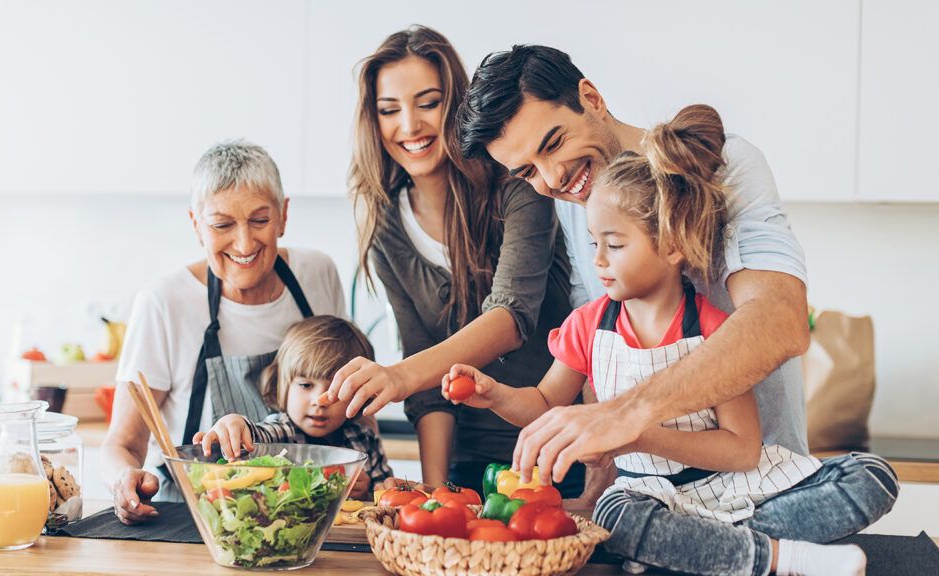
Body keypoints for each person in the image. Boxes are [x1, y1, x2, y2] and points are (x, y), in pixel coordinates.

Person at [445, 105, 897, 576]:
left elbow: (742, 451)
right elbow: (544, 404)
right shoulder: (587, 326)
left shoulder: (717, 331)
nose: (598, 260)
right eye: (594, 243)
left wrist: (636, 430)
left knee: (872, 477)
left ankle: (702, 551)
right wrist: (494, 395)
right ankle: (780, 557)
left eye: (615, 245)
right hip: (650, 497)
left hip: (733, 487)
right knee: (617, 516)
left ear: (671, 245)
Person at [456, 45, 816, 492]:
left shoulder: (726, 165)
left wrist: (627, 415)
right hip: (651, 493)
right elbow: (597, 356)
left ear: (591, 98)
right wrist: (598, 485)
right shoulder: (576, 201)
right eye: (527, 171)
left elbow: (781, 321)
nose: (553, 180)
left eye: (553, 143)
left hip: (765, 482)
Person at [328, 25, 583, 496]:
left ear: (457, 105)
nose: (409, 126)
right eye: (389, 110)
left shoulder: (518, 186)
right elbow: (426, 387)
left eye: (428, 103)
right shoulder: (386, 226)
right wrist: (435, 492)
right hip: (468, 464)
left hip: (558, 450)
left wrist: (397, 377)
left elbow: (510, 317)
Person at [101, 141, 346, 524]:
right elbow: (123, 443)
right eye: (222, 225)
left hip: (303, 515)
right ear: (196, 225)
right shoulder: (164, 302)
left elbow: (351, 401)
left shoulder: (317, 275)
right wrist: (123, 481)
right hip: (195, 520)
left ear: (283, 215)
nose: (245, 243)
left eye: (260, 220)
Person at [194, 315, 393, 501]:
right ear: (282, 386)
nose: (320, 401)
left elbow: (386, 494)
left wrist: (368, 492)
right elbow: (257, 436)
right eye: (306, 385)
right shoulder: (282, 430)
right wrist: (235, 423)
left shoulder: (365, 438)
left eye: (336, 390)